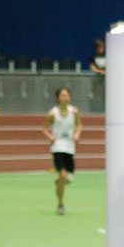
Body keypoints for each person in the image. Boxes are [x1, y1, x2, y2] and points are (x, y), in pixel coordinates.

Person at [43, 87, 82, 216]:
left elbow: (79, 125)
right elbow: (44, 128)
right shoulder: (52, 113)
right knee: (63, 175)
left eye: (67, 95)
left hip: (70, 146)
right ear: (58, 98)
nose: (65, 98)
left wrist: (77, 135)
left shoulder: (74, 111)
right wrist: (50, 137)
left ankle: (59, 181)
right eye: (62, 95)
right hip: (58, 146)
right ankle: (60, 203)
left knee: (68, 177)